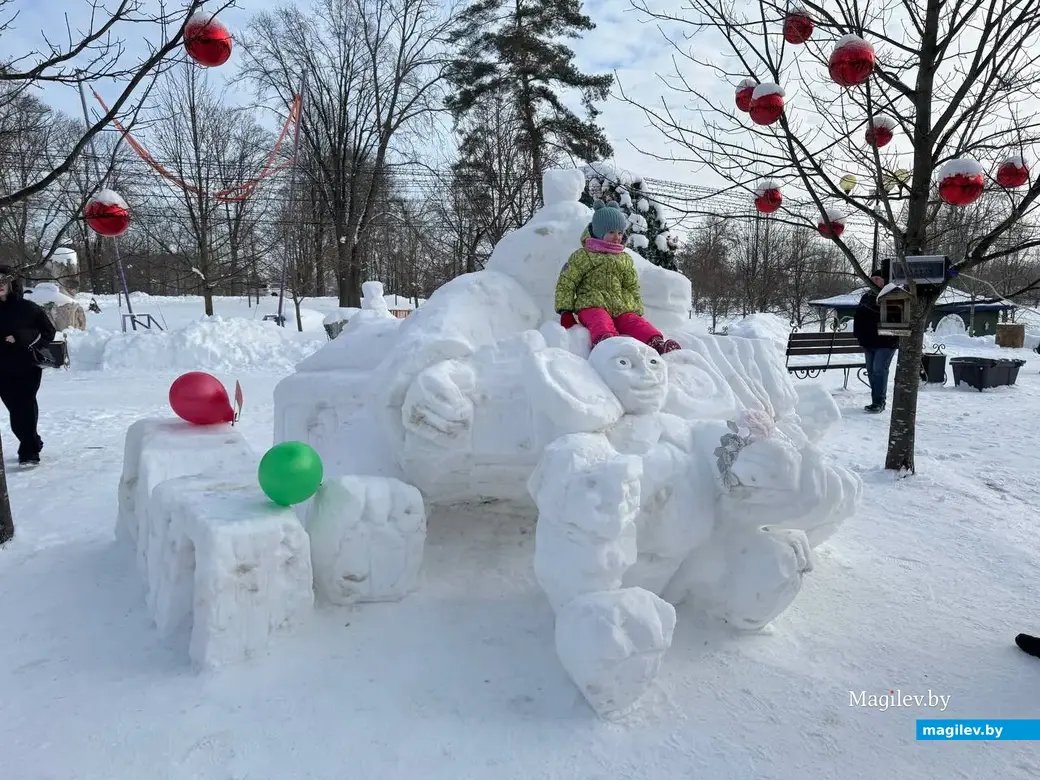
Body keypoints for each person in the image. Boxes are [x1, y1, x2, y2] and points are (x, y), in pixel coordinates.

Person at [555, 202, 681, 355]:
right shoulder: (584, 256)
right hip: (592, 304)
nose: (617, 237)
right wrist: (565, 311)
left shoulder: (624, 258)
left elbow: (631, 286)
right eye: (611, 232)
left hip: (620, 307)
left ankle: (656, 343)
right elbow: (567, 282)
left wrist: (635, 309)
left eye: (620, 233)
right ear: (598, 232)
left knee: (636, 322)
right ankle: (607, 344)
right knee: (600, 320)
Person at [0, 267, 56, 466]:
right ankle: (32, 439)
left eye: (2, 283)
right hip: (2, 369)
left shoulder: (29, 308)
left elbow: (48, 332)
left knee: (25, 405)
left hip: (26, 365)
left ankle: (29, 451)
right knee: (15, 410)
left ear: (10, 284)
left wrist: (21, 337)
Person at [853, 272, 898, 413]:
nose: (874, 281)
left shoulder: (892, 295)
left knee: (879, 370)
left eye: (877, 279)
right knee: (871, 371)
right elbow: (858, 318)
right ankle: (875, 401)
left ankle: (880, 402)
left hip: (886, 341)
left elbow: (897, 318)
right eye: (872, 279)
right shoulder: (866, 297)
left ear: (884, 281)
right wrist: (860, 336)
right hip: (868, 341)